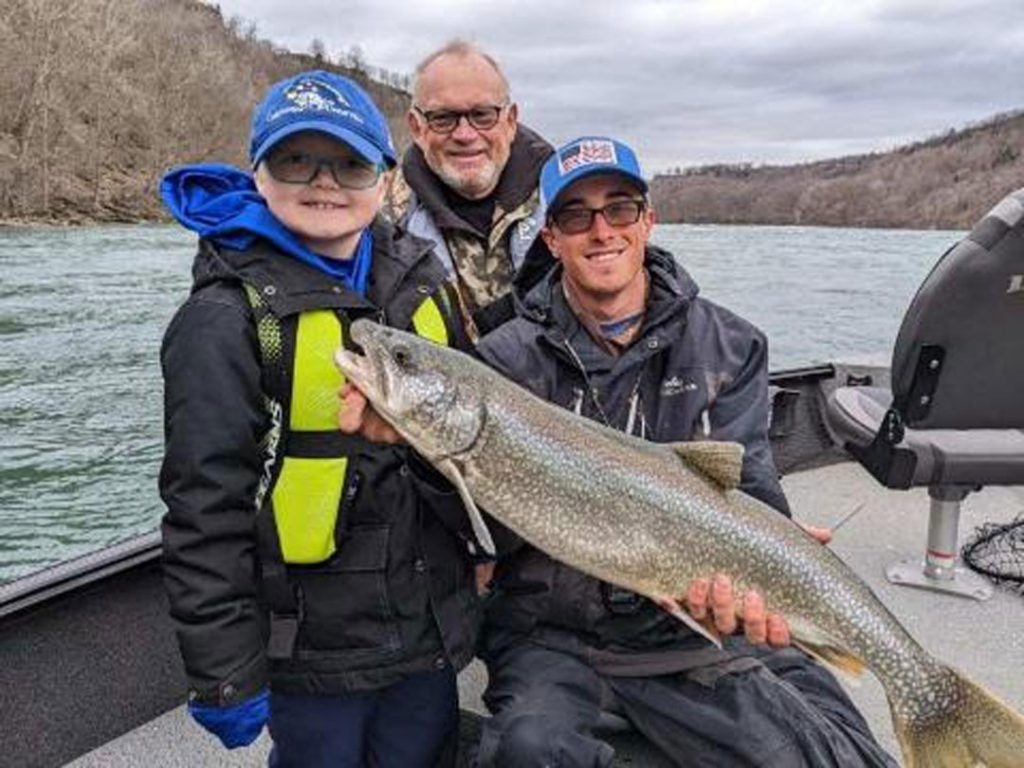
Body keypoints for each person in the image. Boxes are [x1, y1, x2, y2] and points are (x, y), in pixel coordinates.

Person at [471, 136, 898, 767]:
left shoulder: (732, 345)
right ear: (552, 238)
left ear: (648, 220)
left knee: (818, 750)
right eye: (575, 216)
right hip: (552, 634)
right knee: (528, 750)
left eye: (619, 208)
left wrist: (763, 563)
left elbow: (749, 490)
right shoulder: (503, 359)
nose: (601, 231)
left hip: (692, 635)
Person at [158, 70, 482, 768]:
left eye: (349, 163)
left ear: (386, 178)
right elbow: (204, 506)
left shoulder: (427, 284)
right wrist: (224, 670)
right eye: (296, 160)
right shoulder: (221, 320)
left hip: (425, 630)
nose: (324, 182)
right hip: (308, 648)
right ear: (259, 174)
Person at [398, 40, 554, 339]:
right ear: (417, 127)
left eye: (482, 115)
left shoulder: (568, 201)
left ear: (510, 121)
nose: (465, 135)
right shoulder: (378, 223)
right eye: (443, 118)